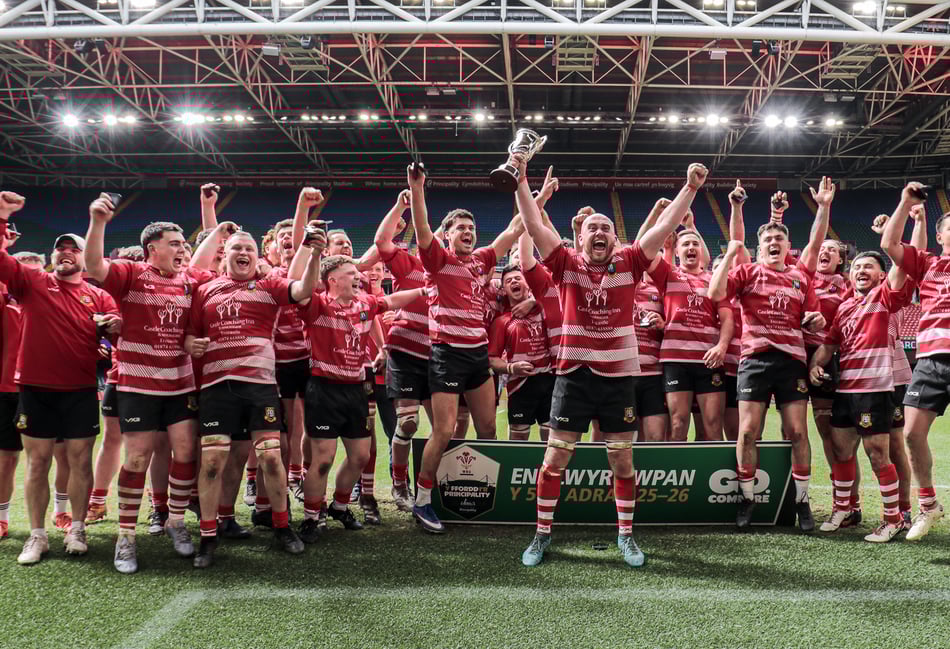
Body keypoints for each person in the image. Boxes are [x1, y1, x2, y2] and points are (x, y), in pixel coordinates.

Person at [516, 157, 706, 567]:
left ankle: (625, 536)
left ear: (615, 239)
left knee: (621, 458)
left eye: (606, 228)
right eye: (592, 228)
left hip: (619, 378)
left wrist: (689, 188)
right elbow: (533, 227)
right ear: (579, 238)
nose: (599, 232)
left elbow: (662, 229)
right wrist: (521, 179)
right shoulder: (564, 264)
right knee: (555, 460)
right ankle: (541, 535)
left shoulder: (631, 262)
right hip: (573, 377)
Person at [84, 193, 223, 574]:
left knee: (184, 452)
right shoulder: (131, 274)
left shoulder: (189, 281)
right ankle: (126, 535)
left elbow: (206, 258)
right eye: (174, 243)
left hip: (179, 382)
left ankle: (176, 520)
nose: (182, 249)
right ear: (152, 248)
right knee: (138, 457)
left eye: (184, 244)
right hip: (138, 383)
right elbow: (93, 265)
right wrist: (98, 220)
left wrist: (190, 343)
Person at [184, 230, 322, 568]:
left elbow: (303, 289)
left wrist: (316, 254)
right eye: (236, 248)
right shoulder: (205, 291)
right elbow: (190, 334)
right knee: (214, 461)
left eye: (249, 248)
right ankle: (209, 535)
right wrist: (191, 345)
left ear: (257, 256)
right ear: (225, 254)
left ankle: (281, 525)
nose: (243, 252)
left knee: (272, 459)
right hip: (217, 386)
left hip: (260, 387)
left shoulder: (270, 286)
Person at [0, 191, 120, 566]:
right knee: (37, 464)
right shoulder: (33, 282)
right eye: (60, 249)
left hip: (80, 389)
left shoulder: (98, 296)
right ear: (53, 256)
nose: (65, 253)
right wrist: (2, 215)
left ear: (86, 258)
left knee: (81, 461)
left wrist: (113, 330)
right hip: (35, 388)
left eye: (73, 249)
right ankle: (37, 535)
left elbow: (116, 332)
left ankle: (78, 527)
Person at [407, 164, 526, 534]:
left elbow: (515, 228)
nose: (469, 233)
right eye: (461, 229)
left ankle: (483, 493)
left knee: (489, 427)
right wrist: (417, 188)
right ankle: (423, 500)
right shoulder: (437, 259)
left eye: (472, 229)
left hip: (477, 357)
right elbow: (423, 229)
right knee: (443, 430)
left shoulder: (483, 261)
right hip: (446, 355)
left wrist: (531, 188)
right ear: (448, 236)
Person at [292, 254, 425, 543]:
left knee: (360, 456)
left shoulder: (365, 303)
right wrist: (314, 253)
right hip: (324, 389)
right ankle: (312, 518)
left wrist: (425, 289)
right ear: (332, 280)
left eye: (357, 272)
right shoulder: (317, 305)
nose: (358, 277)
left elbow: (393, 301)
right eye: (351, 273)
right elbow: (302, 287)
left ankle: (340, 506)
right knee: (323, 459)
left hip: (355, 390)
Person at [708, 221, 826, 532]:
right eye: (768, 239)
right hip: (755, 361)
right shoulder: (747, 273)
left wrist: (816, 320)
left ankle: (801, 500)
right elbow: (716, 292)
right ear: (760, 248)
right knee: (747, 432)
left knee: (798, 432)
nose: (774, 242)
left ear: (788, 246)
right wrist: (732, 251)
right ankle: (747, 497)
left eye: (779, 238)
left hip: (791, 362)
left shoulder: (801, 278)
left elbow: (813, 318)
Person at [809, 250, 913, 542]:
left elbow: (902, 264)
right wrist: (815, 365)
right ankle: (843, 509)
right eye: (856, 266)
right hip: (846, 389)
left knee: (879, 454)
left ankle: (894, 518)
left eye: (869, 266)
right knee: (841, 451)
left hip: (875, 389)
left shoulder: (884, 297)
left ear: (882, 275)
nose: (861, 270)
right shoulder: (843, 307)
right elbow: (829, 345)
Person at [879, 182, 947, 541]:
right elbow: (889, 245)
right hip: (933, 359)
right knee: (911, 433)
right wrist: (905, 203)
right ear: (939, 234)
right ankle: (929, 505)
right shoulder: (928, 263)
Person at [0, 251, 47, 540]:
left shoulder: (53, 303)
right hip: (8, 390)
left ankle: (62, 513)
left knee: (57, 457)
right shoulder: (6, 305)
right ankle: (2, 517)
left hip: (48, 390)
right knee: (7, 458)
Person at [488, 264, 556, 441]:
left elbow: (560, 292)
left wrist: (534, 301)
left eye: (518, 278)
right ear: (504, 290)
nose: (513, 282)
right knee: (518, 438)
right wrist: (511, 368)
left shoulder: (545, 309)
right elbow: (492, 359)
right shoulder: (502, 321)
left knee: (551, 440)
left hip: (549, 380)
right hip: (519, 385)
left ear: (528, 283)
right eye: (508, 281)